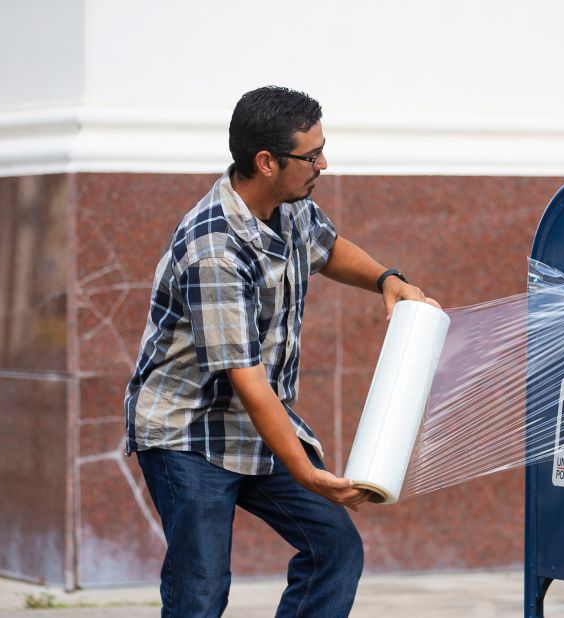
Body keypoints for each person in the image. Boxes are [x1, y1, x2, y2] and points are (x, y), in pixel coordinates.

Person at [124, 85, 437, 617]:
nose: (323, 163)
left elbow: (328, 248)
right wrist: (307, 472)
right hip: (187, 435)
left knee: (333, 548)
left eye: (322, 148)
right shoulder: (216, 250)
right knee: (199, 592)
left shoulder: (289, 207)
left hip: (252, 423)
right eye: (311, 156)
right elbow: (246, 380)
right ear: (266, 161)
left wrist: (386, 278)